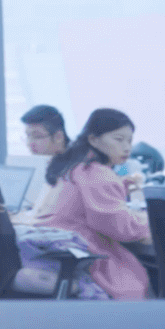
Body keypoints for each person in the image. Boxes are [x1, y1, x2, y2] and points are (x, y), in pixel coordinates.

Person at [32, 107, 152, 299]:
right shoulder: (97, 172)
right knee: (136, 283)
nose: (127, 147)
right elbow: (118, 226)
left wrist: (120, 186)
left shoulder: (77, 166)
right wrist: (149, 222)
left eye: (129, 141)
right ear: (94, 140)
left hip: (57, 245)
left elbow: (85, 199)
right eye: (119, 139)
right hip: (82, 251)